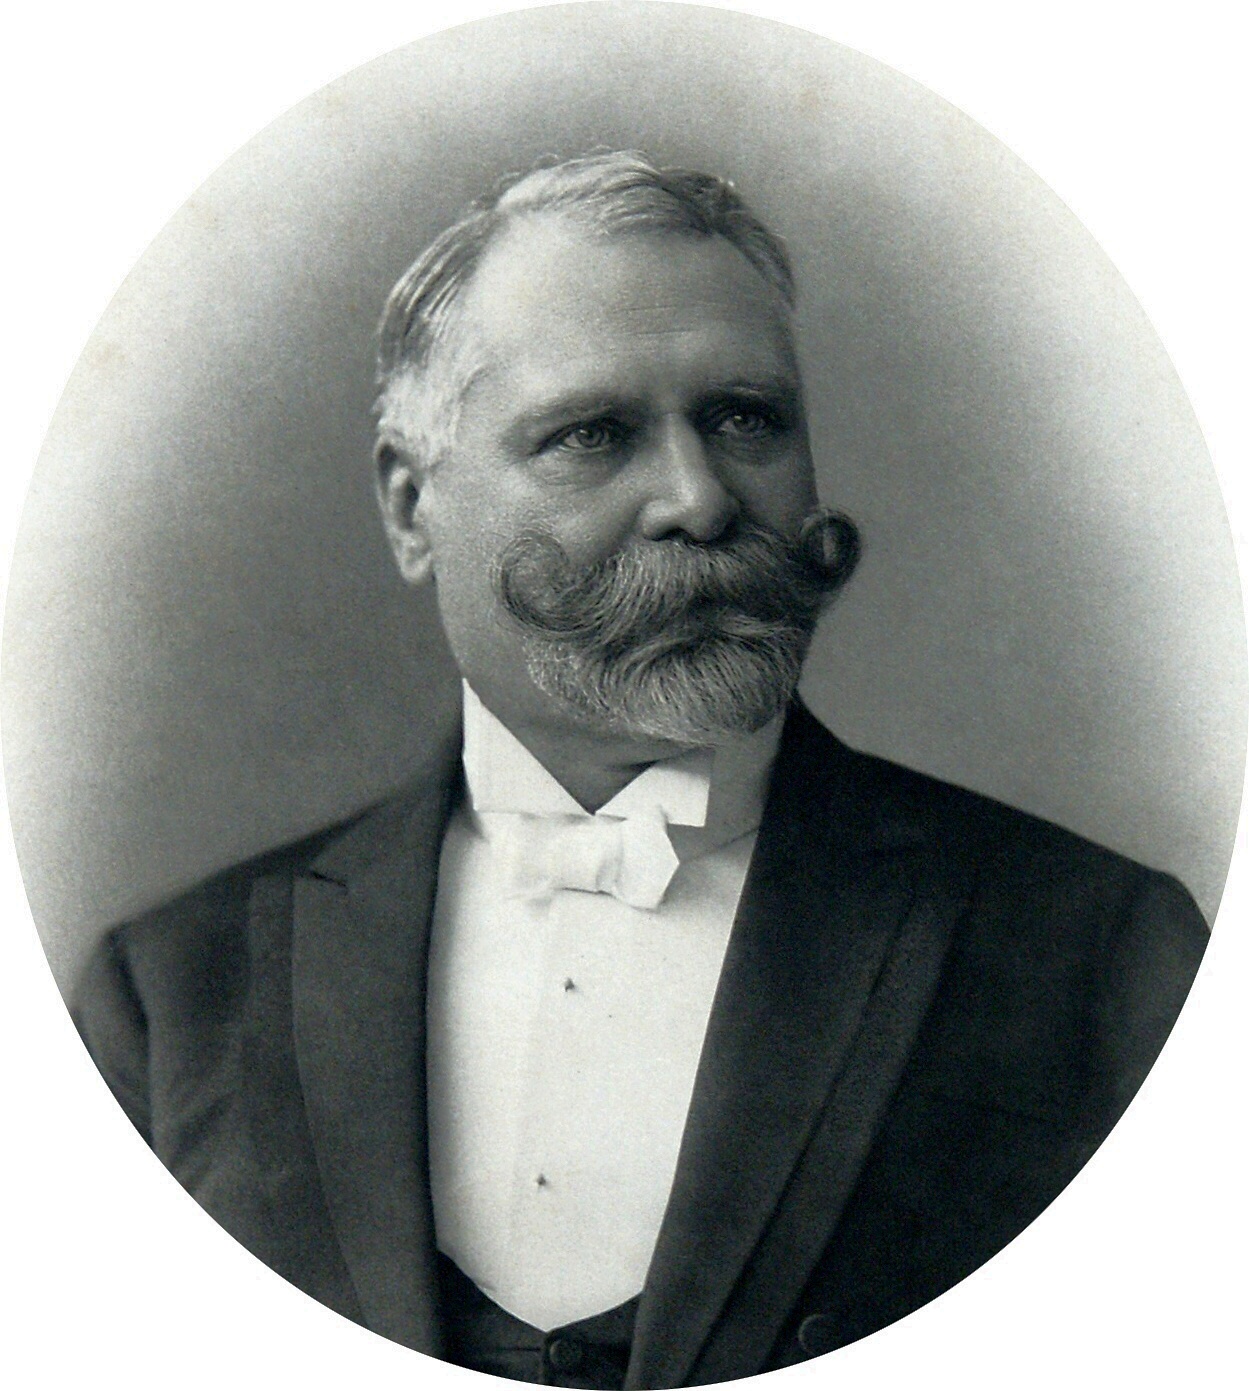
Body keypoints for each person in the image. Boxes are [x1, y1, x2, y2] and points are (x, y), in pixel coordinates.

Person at [72, 152, 1208, 1388]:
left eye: (745, 419)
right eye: (592, 435)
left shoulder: (1102, 954)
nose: (697, 500)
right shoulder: (170, 995)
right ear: (410, 507)